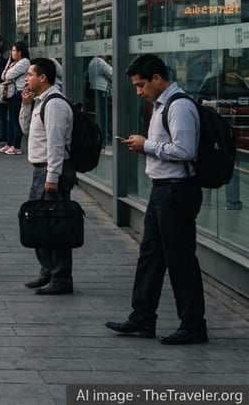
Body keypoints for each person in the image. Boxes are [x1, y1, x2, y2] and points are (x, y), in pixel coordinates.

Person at [106, 54, 208, 345]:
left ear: (157, 79)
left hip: (177, 191)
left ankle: (193, 324)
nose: (139, 91)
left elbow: (185, 150)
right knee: (150, 257)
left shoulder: (180, 107)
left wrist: (147, 145)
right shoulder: (162, 105)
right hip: (162, 189)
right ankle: (142, 317)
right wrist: (146, 147)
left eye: (141, 85)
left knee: (180, 259)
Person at [18, 58, 76, 295]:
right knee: (41, 222)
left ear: (43, 77)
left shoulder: (55, 104)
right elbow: (27, 131)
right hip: (40, 170)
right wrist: (25, 105)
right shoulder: (41, 102)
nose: (26, 78)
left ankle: (61, 276)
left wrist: (52, 176)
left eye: (30, 74)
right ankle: (47, 271)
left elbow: (56, 144)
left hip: (52, 170)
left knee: (55, 225)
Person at [0, 41, 31, 155]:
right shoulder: (14, 63)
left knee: (16, 119)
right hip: (11, 93)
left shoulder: (24, 62)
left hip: (19, 92)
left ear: (20, 52)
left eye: (14, 51)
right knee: (10, 119)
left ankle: (16, 145)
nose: (12, 53)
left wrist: (9, 68)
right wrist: (10, 62)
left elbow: (7, 75)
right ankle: (9, 143)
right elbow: (3, 75)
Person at [87, 54, 113, 142]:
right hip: (101, 90)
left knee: (98, 114)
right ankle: (103, 139)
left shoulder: (92, 62)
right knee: (102, 115)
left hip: (93, 89)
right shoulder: (99, 62)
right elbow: (112, 73)